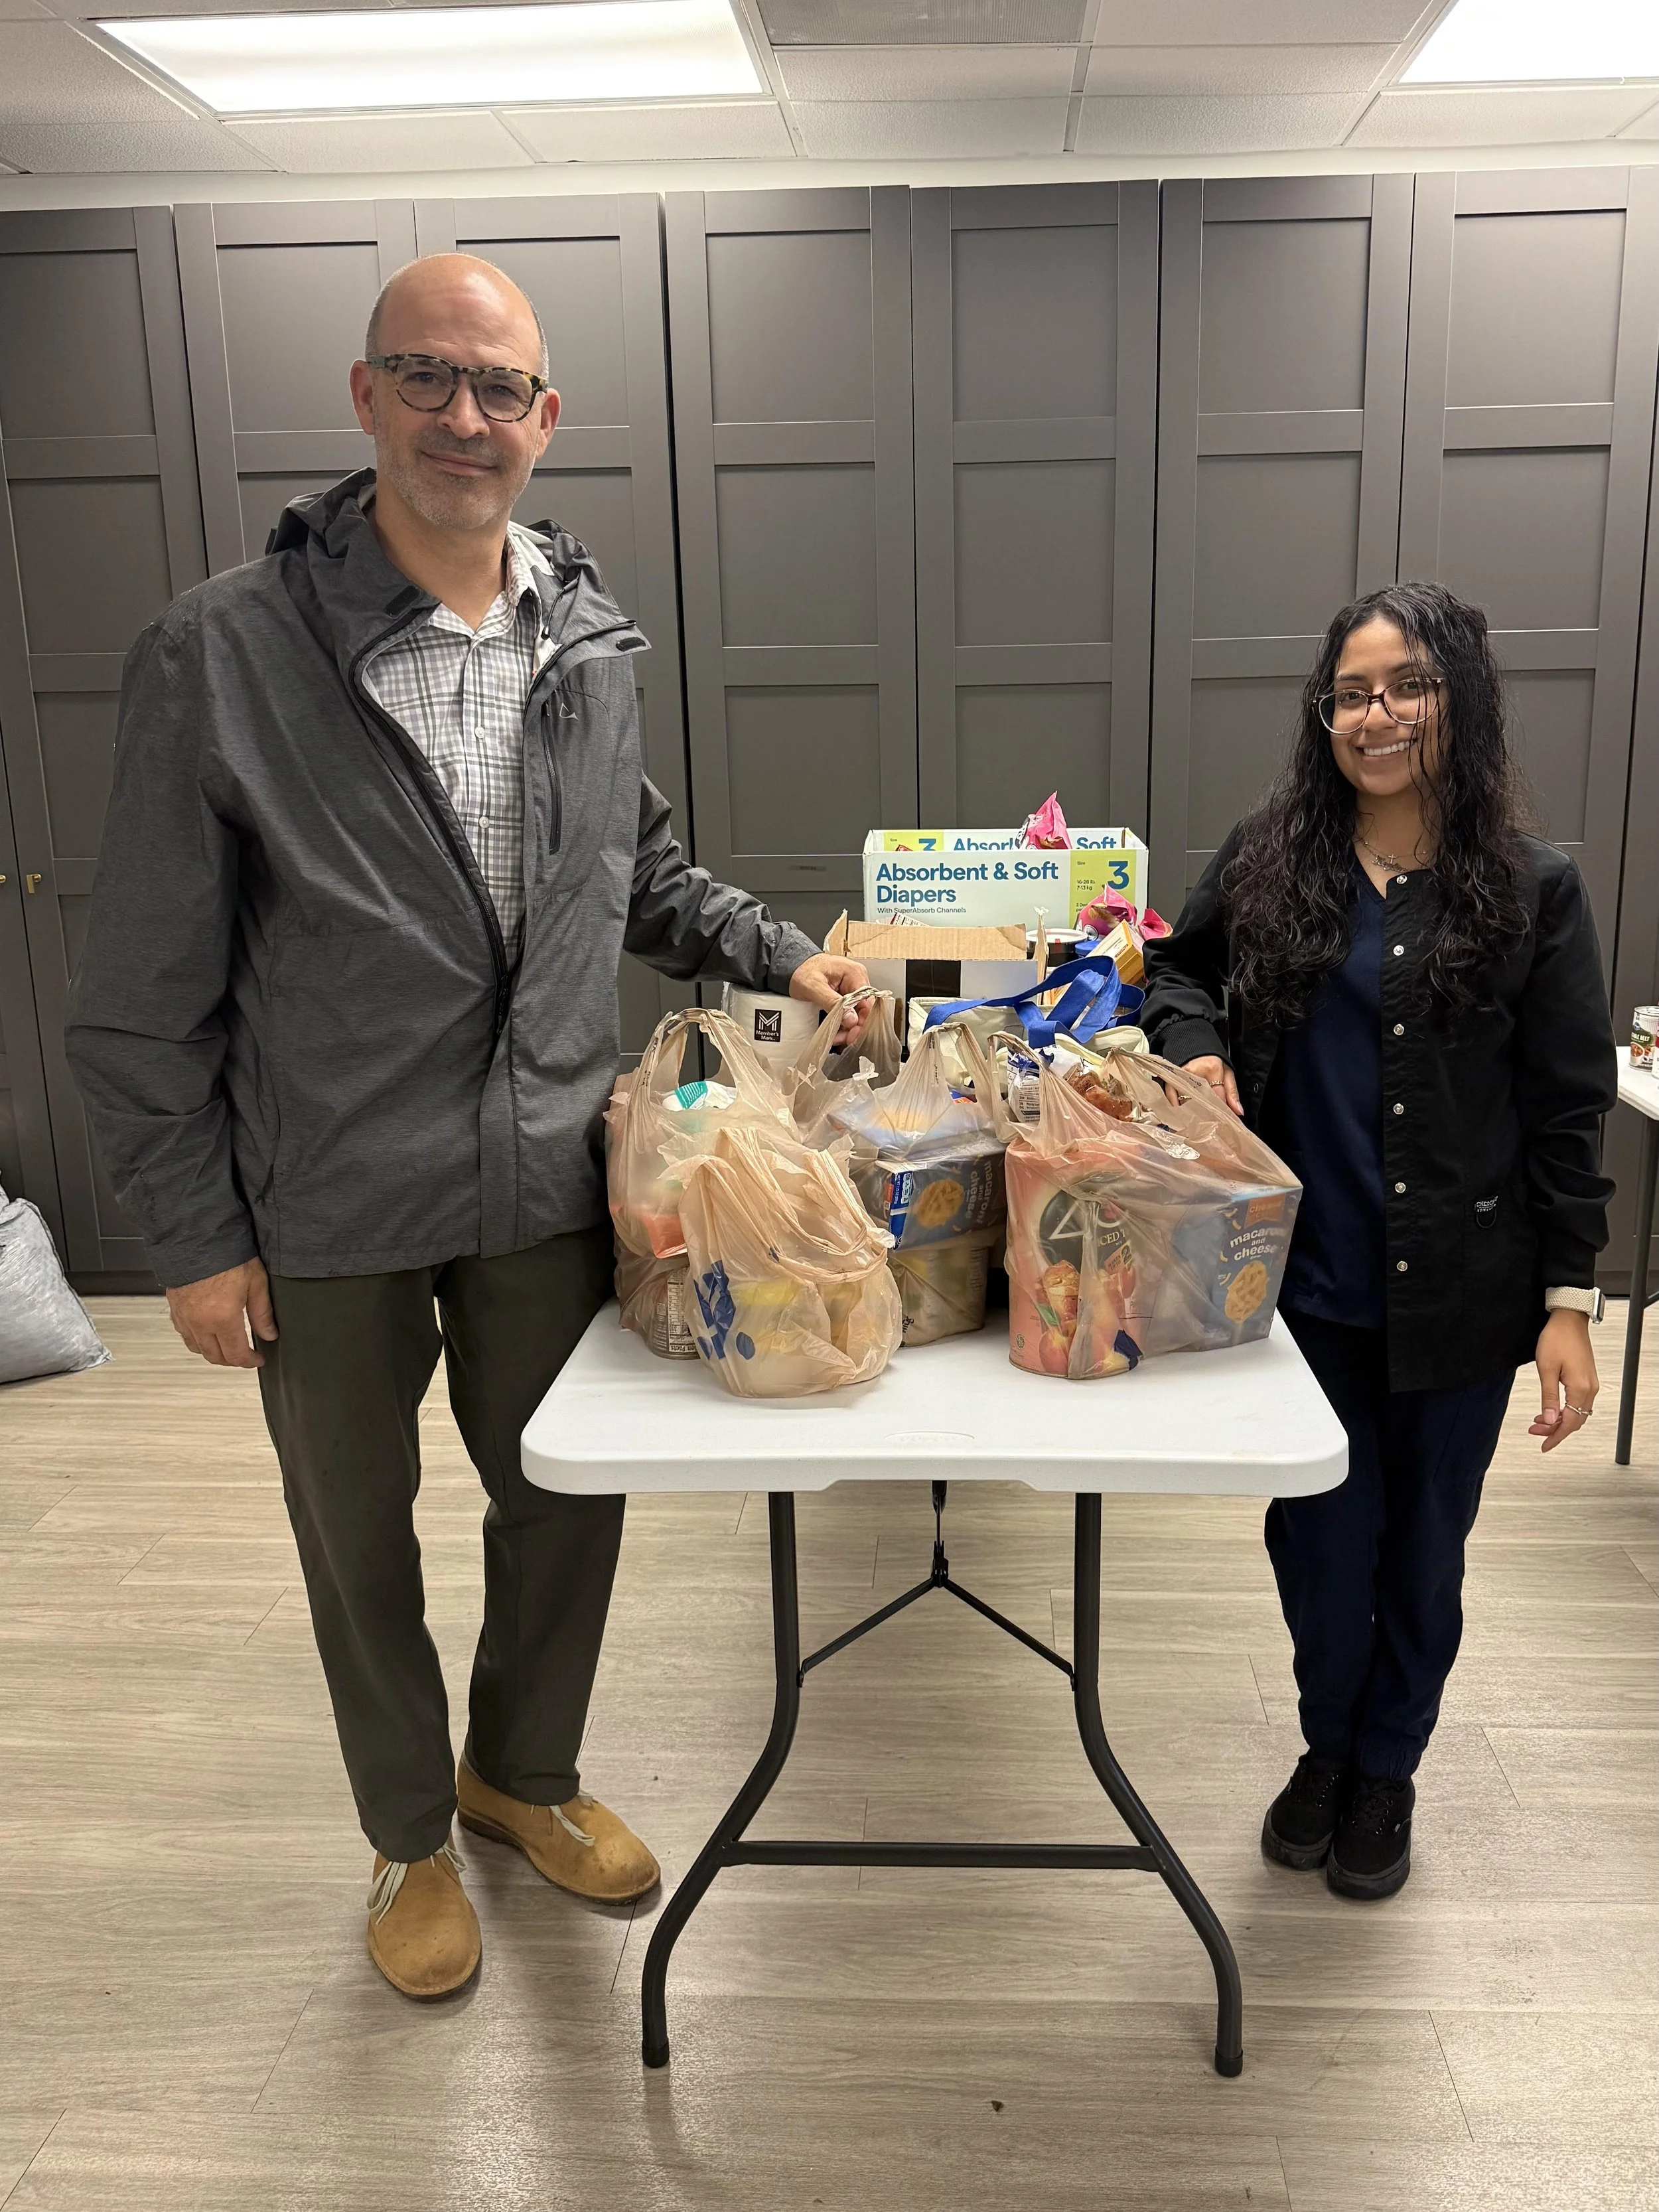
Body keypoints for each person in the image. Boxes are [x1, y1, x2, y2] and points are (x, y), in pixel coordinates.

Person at [65, 254, 869, 1999]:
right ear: (363, 398)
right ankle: (407, 1832)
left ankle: (522, 1771)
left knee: (563, 1496)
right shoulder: (222, 653)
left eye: (498, 388)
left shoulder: (582, 637)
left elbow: (631, 872)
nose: (464, 418)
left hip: (540, 1177)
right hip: (328, 1192)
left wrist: (791, 956)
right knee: (355, 1531)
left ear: (546, 420)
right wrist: (195, 1231)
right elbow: (137, 985)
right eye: (426, 378)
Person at [1139, 581, 1617, 1902]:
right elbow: (1175, 970)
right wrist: (1192, 1054)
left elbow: (1566, 1108)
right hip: (1300, 1289)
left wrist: (1566, 1300)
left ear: (1453, 701)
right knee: (1317, 1543)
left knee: (1420, 1548)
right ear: (1322, 715)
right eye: (1350, 691)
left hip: (1463, 1294)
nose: (1375, 713)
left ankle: (1383, 1768)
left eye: (1403, 684)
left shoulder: (1532, 890)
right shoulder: (1267, 857)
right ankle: (1324, 1743)